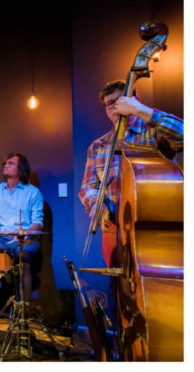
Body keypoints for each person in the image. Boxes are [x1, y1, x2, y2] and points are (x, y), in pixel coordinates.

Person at [78, 81, 184, 266]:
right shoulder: (98, 146)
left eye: (119, 100)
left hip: (155, 224)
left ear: (134, 100)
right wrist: (95, 203)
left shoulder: (154, 133)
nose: (113, 107)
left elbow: (184, 135)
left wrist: (142, 111)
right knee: (119, 286)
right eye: (108, 104)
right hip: (114, 226)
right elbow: (88, 186)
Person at [0, 152, 44, 306]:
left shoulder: (33, 192)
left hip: (26, 239)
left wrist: (27, 232)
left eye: (11, 163)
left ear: (21, 169)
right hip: (2, 239)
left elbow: (38, 222)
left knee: (23, 261)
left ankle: (23, 310)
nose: (6, 165)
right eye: (5, 163)